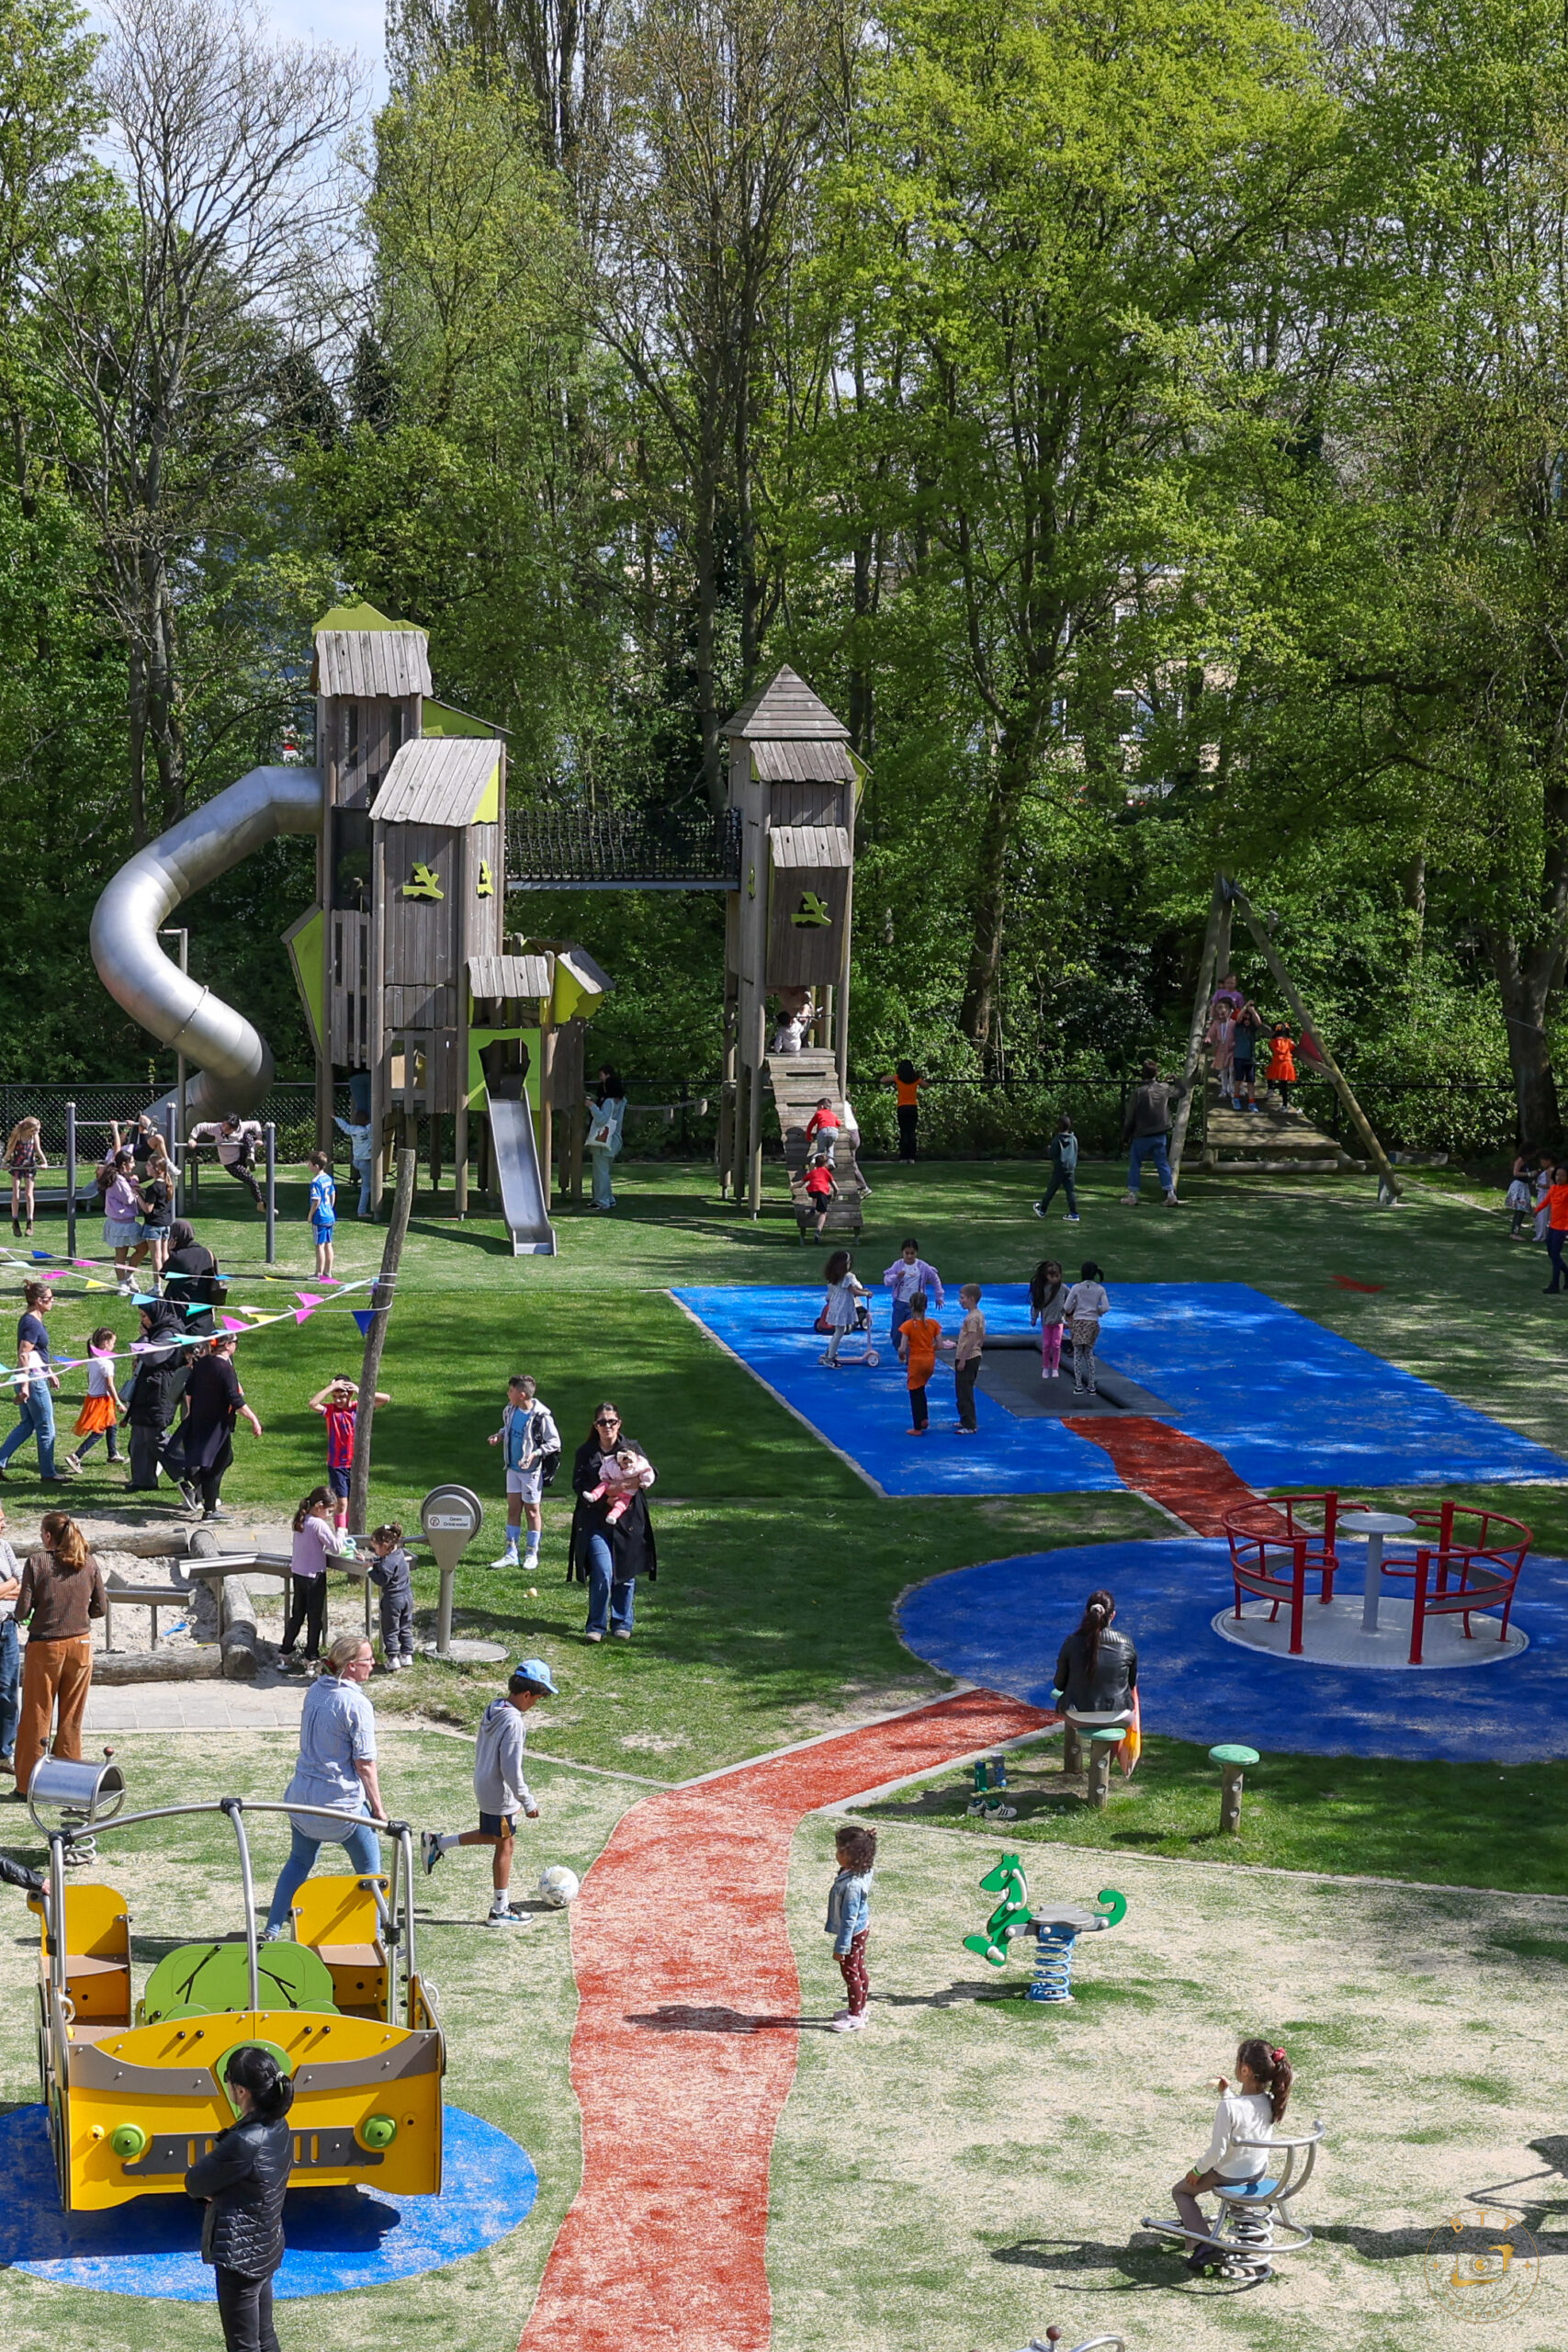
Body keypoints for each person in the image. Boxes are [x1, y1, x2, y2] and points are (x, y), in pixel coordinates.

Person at [263, 1632, 382, 1937]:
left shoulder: (315, 1690)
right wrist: (379, 1811)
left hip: (301, 1800)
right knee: (371, 1872)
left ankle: (272, 1928)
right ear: (352, 1666)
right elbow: (364, 1764)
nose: (373, 1664)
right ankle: (378, 1936)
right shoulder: (356, 1704)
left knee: (299, 1861)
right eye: (369, 1660)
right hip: (339, 1805)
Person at [421, 1657, 556, 1923]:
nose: (536, 1703)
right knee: (506, 1845)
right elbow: (511, 1769)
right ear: (527, 1694)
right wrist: (527, 1801)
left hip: (484, 1783)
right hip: (500, 1793)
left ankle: (439, 1843)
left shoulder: (495, 1706)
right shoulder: (515, 1723)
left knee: (493, 1835)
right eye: (538, 1698)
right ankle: (500, 1910)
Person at [184, 2041, 293, 2352]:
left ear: (241, 2091)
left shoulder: (245, 2141)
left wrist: (214, 2190)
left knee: (243, 2345)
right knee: (264, 2336)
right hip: (266, 2244)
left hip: (240, 2256)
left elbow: (194, 2182)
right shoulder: (278, 2125)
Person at [1168, 2041, 1293, 2275]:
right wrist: (1227, 2092)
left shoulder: (1229, 2107)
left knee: (1182, 2191)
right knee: (1240, 2179)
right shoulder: (1269, 2100)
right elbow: (1245, 2111)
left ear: (1244, 2071)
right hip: (1256, 2171)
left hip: (1229, 2175)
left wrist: (1197, 2171)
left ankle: (1204, 2243)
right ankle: (1249, 2228)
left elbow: (1217, 2151)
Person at [10, 1512, 104, 1795]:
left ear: (48, 1536)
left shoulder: (37, 1562)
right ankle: (68, 1783)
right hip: (82, 1645)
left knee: (37, 1714)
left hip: (46, 1646)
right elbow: (100, 1607)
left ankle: (28, 1785)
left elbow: (23, 1610)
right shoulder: (88, 1562)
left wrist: (26, 1613)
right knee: (72, 1716)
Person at [569, 1403, 657, 1643]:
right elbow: (578, 1485)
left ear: (619, 1423)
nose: (607, 1426)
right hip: (595, 1522)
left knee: (626, 1574)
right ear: (595, 1426)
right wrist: (606, 1495)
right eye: (602, 1422)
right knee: (603, 1571)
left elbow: (649, 1474)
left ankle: (622, 1622)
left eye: (612, 1421)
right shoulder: (586, 1453)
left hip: (627, 1522)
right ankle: (596, 1625)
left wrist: (624, 1487)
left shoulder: (632, 1449)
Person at [176, 1334, 262, 1519]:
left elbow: (189, 1389)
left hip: (201, 1419)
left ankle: (204, 1495)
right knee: (218, 1462)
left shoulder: (202, 1363)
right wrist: (254, 1419)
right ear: (228, 1345)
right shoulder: (225, 1368)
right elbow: (234, 1398)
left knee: (223, 1459)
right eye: (236, 1343)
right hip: (217, 1422)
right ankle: (208, 1506)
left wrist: (191, 1412)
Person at [488, 1374, 561, 1573]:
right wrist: (500, 1435)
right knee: (513, 1509)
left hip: (531, 1472)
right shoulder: (510, 1410)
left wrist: (535, 1454)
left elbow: (554, 1443)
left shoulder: (541, 1416)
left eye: (510, 1391)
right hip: (512, 1468)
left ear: (521, 1394)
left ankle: (531, 1553)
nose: (507, 1394)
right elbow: (508, 1428)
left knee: (531, 1511)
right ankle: (511, 1553)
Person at [122, 1301, 191, 1492]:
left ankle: (188, 1474)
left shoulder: (169, 1332)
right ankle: (143, 1480)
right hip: (146, 1389)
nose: (142, 1321)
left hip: (160, 1391)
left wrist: (144, 1338)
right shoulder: (157, 1331)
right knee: (139, 1437)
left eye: (144, 1316)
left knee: (155, 1436)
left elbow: (153, 1357)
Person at [0, 1282, 65, 1485]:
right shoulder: (31, 1323)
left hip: (35, 1375)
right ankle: (48, 1473)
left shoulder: (35, 1319)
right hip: (32, 1380)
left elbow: (37, 1353)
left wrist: (50, 1371)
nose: (52, 1302)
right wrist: (26, 1385)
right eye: (49, 1299)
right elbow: (24, 1355)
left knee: (27, 1425)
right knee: (46, 1427)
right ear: (38, 1301)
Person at [280, 1487, 352, 1668]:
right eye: (328, 1511)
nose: (328, 1515)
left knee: (297, 1615)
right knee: (314, 1618)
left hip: (298, 1574)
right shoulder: (319, 1524)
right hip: (314, 1577)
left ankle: (285, 1651)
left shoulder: (302, 1520)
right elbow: (336, 1547)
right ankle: (311, 1656)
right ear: (319, 1506)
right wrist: (341, 1530)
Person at [309, 1375, 389, 1530]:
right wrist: (331, 1387)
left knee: (354, 1502)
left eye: (342, 1396)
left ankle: (352, 1531)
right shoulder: (330, 1411)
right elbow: (313, 1404)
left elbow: (385, 1399)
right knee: (342, 1502)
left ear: (350, 1394)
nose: (338, 1400)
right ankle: (341, 1534)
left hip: (356, 1463)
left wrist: (360, 1390)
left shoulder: (359, 1407)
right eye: (335, 1397)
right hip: (337, 1463)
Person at [1051, 1587, 1137, 1720]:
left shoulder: (1072, 1642)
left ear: (1087, 1612)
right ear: (1113, 1615)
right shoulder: (1126, 1643)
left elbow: (1059, 1684)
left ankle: (1073, 1741)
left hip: (1077, 1715)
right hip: (1118, 1715)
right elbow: (1130, 1683)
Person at [825, 1822, 876, 2033]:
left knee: (850, 1971)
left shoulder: (853, 1886)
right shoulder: (861, 1869)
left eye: (839, 1850)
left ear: (852, 1856)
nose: (836, 1854)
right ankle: (860, 2008)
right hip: (862, 1928)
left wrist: (841, 1947)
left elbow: (848, 1920)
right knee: (859, 1968)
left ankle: (855, 2016)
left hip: (853, 1934)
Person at [1121, 1061, 1184, 1205]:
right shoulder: (1164, 1088)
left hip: (1142, 1133)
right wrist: (1176, 1080)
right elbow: (1182, 1092)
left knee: (1135, 1164)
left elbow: (1130, 1117)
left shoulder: (1138, 1092)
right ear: (1157, 1073)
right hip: (1160, 1132)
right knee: (1162, 1163)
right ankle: (1170, 1194)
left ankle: (1132, 1195)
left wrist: (1125, 1135)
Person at [64, 1328, 124, 1475]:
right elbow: (109, 1385)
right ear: (105, 1343)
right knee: (99, 1431)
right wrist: (118, 1402)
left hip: (93, 1397)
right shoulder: (107, 1363)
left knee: (112, 1425)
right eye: (112, 1343)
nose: (114, 1346)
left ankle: (113, 1454)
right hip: (101, 1400)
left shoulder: (92, 1358)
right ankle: (76, 1456)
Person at [187, 1114, 265, 1211]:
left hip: (242, 1155)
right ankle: (260, 1204)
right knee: (252, 1181)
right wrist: (192, 1138)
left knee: (247, 1136)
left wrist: (259, 1138)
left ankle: (251, 1157)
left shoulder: (242, 1127)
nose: (224, 1129)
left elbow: (255, 1124)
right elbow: (200, 1126)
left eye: (228, 1128)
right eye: (224, 1125)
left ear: (235, 1128)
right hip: (231, 1163)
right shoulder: (216, 1128)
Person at [366, 1522, 415, 1673]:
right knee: (405, 1626)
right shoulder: (398, 1553)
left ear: (385, 1545)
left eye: (375, 1548)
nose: (374, 1551)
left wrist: (369, 1569)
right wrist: (374, 1561)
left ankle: (393, 1658)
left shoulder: (387, 1561)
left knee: (391, 1629)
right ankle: (407, 1655)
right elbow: (385, 1562)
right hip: (407, 1596)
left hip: (393, 1600)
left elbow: (382, 1579)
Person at [162, 1219, 224, 1333]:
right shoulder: (207, 1252)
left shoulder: (179, 1257)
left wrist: (168, 1251)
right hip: (204, 1308)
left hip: (182, 1309)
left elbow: (163, 1274)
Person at [897, 1290, 945, 1435]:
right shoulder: (932, 1324)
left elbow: (902, 1348)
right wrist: (930, 1349)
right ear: (926, 1306)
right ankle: (923, 1417)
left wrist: (902, 1357)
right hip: (929, 1361)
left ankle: (918, 1424)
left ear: (911, 1306)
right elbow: (941, 1345)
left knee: (914, 1391)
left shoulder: (908, 1326)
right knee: (921, 1387)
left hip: (916, 1361)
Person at [883, 1238, 943, 1341]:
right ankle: (900, 1351)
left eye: (912, 1253)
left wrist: (939, 1296)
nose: (909, 1256)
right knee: (896, 1333)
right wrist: (897, 1277)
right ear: (902, 1252)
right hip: (900, 1303)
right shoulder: (898, 1265)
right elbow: (887, 1281)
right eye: (907, 1253)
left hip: (915, 1305)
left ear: (916, 1253)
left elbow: (935, 1279)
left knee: (911, 1331)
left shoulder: (922, 1266)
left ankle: (909, 1354)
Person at [1065, 1261, 1110, 1396]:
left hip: (1079, 1322)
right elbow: (1106, 1307)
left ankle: (1079, 1385)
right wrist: (1097, 1311)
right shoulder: (1100, 1289)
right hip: (1092, 1323)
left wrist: (1074, 1309)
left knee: (1078, 1354)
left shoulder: (1076, 1288)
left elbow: (1067, 1307)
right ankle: (1091, 1385)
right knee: (1089, 1353)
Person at [102, 1151, 145, 1294]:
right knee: (124, 1253)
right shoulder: (118, 1179)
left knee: (141, 1249)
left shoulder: (118, 1177)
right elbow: (128, 1199)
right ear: (124, 1164)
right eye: (132, 1162)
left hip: (123, 1222)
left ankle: (128, 1276)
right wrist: (134, 1183)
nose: (134, 1165)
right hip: (122, 1223)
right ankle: (122, 1284)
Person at [586, 1069, 626, 1212]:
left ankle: (602, 1201)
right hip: (615, 1139)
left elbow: (603, 1119)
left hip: (604, 1141)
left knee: (600, 1172)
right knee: (605, 1171)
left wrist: (592, 1106)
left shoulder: (609, 1102)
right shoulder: (622, 1100)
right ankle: (608, 1198)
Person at [585, 1444, 656, 1523]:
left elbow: (648, 1472)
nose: (628, 1465)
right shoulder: (611, 1465)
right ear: (619, 1462)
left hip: (628, 1493)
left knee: (622, 1505)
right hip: (610, 1485)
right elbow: (604, 1469)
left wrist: (645, 1482)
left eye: (631, 1463)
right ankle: (594, 1496)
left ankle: (612, 1516)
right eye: (625, 1463)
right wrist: (604, 1477)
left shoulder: (640, 1465)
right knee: (603, 1485)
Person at [135, 1140, 175, 1274]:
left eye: (148, 1165)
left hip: (153, 1225)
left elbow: (148, 1209)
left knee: (156, 1257)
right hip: (166, 1224)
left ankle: (157, 1287)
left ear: (156, 1169)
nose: (146, 1167)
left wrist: (137, 1196)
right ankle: (168, 1281)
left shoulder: (153, 1188)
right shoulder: (167, 1184)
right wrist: (141, 1190)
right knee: (165, 1255)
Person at [819, 1249, 865, 1367]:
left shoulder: (833, 1277)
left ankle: (829, 1352)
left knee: (839, 1331)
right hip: (842, 1307)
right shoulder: (848, 1277)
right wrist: (866, 1293)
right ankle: (830, 1358)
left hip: (835, 1305)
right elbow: (855, 1289)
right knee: (839, 1332)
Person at [0, 1507, 20, 1776]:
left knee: (8, 1691)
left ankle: (4, 1753)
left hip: (7, 1626)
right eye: (0, 1522)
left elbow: (21, 1579)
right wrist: (9, 1588)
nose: (3, 1526)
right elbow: (13, 1583)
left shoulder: (4, 1546)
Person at [1029, 1259, 1070, 1381]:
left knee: (1056, 1345)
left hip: (1059, 1321)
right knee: (1046, 1345)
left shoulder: (1062, 1288)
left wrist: (1069, 1313)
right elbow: (1036, 1304)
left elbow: (1072, 1296)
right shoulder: (1042, 1289)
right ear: (1046, 1276)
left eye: (1057, 1276)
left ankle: (1055, 1367)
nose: (1054, 1279)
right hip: (1047, 1322)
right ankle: (1046, 1367)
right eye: (1052, 1276)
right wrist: (1034, 1318)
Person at [5, 1116, 46, 1238]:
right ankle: (15, 1220)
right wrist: (3, 1162)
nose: (36, 1132)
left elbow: (38, 1150)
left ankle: (30, 1222)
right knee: (16, 1194)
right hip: (17, 1166)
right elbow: (10, 1150)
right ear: (27, 1129)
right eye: (34, 1130)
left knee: (29, 1194)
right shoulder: (18, 1135)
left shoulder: (34, 1137)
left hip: (29, 1166)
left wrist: (44, 1162)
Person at [1034, 1114, 1080, 1221]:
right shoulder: (1074, 1139)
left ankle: (1042, 1210)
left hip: (1060, 1168)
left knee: (1051, 1190)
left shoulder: (1057, 1140)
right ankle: (1074, 1214)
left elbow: (1053, 1154)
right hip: (1070, 1168)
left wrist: (1049, 1149)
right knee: (1071, 1192)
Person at [953, 1283, 985, 1434]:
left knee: (965, 1391)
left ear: (971, 1299)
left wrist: (963, 1359)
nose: (960, 1301)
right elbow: (980, 1337)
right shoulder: (979, 1315)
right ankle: (964, 1418)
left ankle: (970, 1424)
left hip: (968, 1357)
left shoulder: (972, 1318)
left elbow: (972, 1339)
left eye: (962, 1298)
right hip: (973, 1355)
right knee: (962, 1389)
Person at [334, 1112, 376, 1219]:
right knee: (366, 1187)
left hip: (356, 1161)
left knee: (367, 1183)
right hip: (365, 1161)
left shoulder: (352, 1130)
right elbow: (377, 1121)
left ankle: (364, 1208)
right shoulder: (367, 1130)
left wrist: (335, 1117)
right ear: (367, 1121)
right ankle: (361, 1211)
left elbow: (344, 1126)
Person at [883, 1060, 925, 1161]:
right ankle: (912, 1156)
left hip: (902, 1107)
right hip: (912, 1107)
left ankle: (903, 1156)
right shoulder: (916, 1079)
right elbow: (926, 1085)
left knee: (904, 1132)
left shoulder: (898, 1078)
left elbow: (882, 1080)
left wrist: (892, 1078)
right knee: (912, 1132)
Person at [307, 1150, 336, 1280]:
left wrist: (310, 1215)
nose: (308, 1165)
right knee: (328, 1244)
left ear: (316, 1166)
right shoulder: (328, 1178)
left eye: (309, 1163)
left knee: (319, 1245)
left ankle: (318, 1273)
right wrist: (330, 1207)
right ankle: (327, 1272)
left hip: (320, 1217)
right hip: (329, 1215)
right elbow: (333, 1194)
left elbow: (316, 1200)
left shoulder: (316, 1182)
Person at [1231, 1000, 1263, 1112]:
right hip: (1239, 1056)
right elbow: (1238, 1018)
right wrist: (1245, 1007)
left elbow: (1259, 1023)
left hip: (1250, 1058)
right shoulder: (1238, 1026)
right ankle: (1236, 1098)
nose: (1247, 1020)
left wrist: (1252, 1011)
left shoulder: (1252, 1028)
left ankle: (1252, 1102)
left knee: (1251, 1081)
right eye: (1246, 1018)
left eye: (1249, 1019)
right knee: (1238, 1079)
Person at [1544, 1164, 1568, 1294]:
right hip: (1552, 1225)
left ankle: (1554, 1285)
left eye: (1563, 1175)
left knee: (1555, 1255)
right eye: (1558, 1175)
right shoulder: (1553, 1189)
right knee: (1551, 1253)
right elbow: (1546, 1201)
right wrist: (1537, 1210)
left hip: (1562, 1227)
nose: (1559, 1177)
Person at [1208, 1001, 1236, 1107]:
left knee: (1232, 1070)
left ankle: (1232, 1089)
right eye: (1219, 1012)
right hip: (1221, 1049)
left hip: (1232, 1049)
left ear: (1229, 1012)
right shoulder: (1216, 1024)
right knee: (1223, 1070)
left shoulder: (1234, 1023)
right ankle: (1224, 1089)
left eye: (1223, 1012)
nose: (1221, 1014)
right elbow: (1211, 1033)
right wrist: (1208, 1039)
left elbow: (1238, 1035)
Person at [803, 1154, 837, 1239]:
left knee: (815, 1194)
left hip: (812, 1191)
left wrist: (793, 1187)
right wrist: (834, 1196)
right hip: (821, 1191)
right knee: (823, 1213)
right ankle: (818, 1231)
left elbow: (802, 1182)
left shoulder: (812, 1172)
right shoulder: (826, 1172)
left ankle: (813, 1208)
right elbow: (836, 1188)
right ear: (825, 1164)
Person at [1266, 1022, 1298, 1112]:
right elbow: (1292, 1047)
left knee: (1269, 1074)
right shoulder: (1289, 1042)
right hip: (1286, 1063)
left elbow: (1272, 1046)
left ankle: (1271, 1089)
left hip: (1277, 1062)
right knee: (1284, 1085)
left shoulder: (1274, 1041)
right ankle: (1284, 1105)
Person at [1506, 1151, 1532, 1240]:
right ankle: (1515, 1232)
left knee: (1521, 1210)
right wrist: (1528, 1174)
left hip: (1524, 1185)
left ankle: (1515, 1231)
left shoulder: (1526, 1161)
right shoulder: (1520, 1159)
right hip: (1519, 1186)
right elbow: (1515, 1173)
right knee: (1520, 1210)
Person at [805, 1097, 840, 1161]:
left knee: (821, 1150)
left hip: (823, 1132)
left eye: (817, 1108)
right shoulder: (833, 1114)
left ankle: (813, 1160)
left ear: (821, 1106)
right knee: (830, 1149)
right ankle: (831, 1162)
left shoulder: (818, 1113)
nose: (817, 1109)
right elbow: (838, 1124)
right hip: (834, 1132)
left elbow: (810, 1126)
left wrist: (808, 1137)